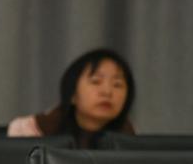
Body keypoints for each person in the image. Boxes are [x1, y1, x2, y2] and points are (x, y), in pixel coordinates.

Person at [8, 48, 136, 148]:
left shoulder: (130, 140)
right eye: (96, 81)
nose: (107, 92)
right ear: (72, 93)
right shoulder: (29, 132)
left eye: (117, 84)